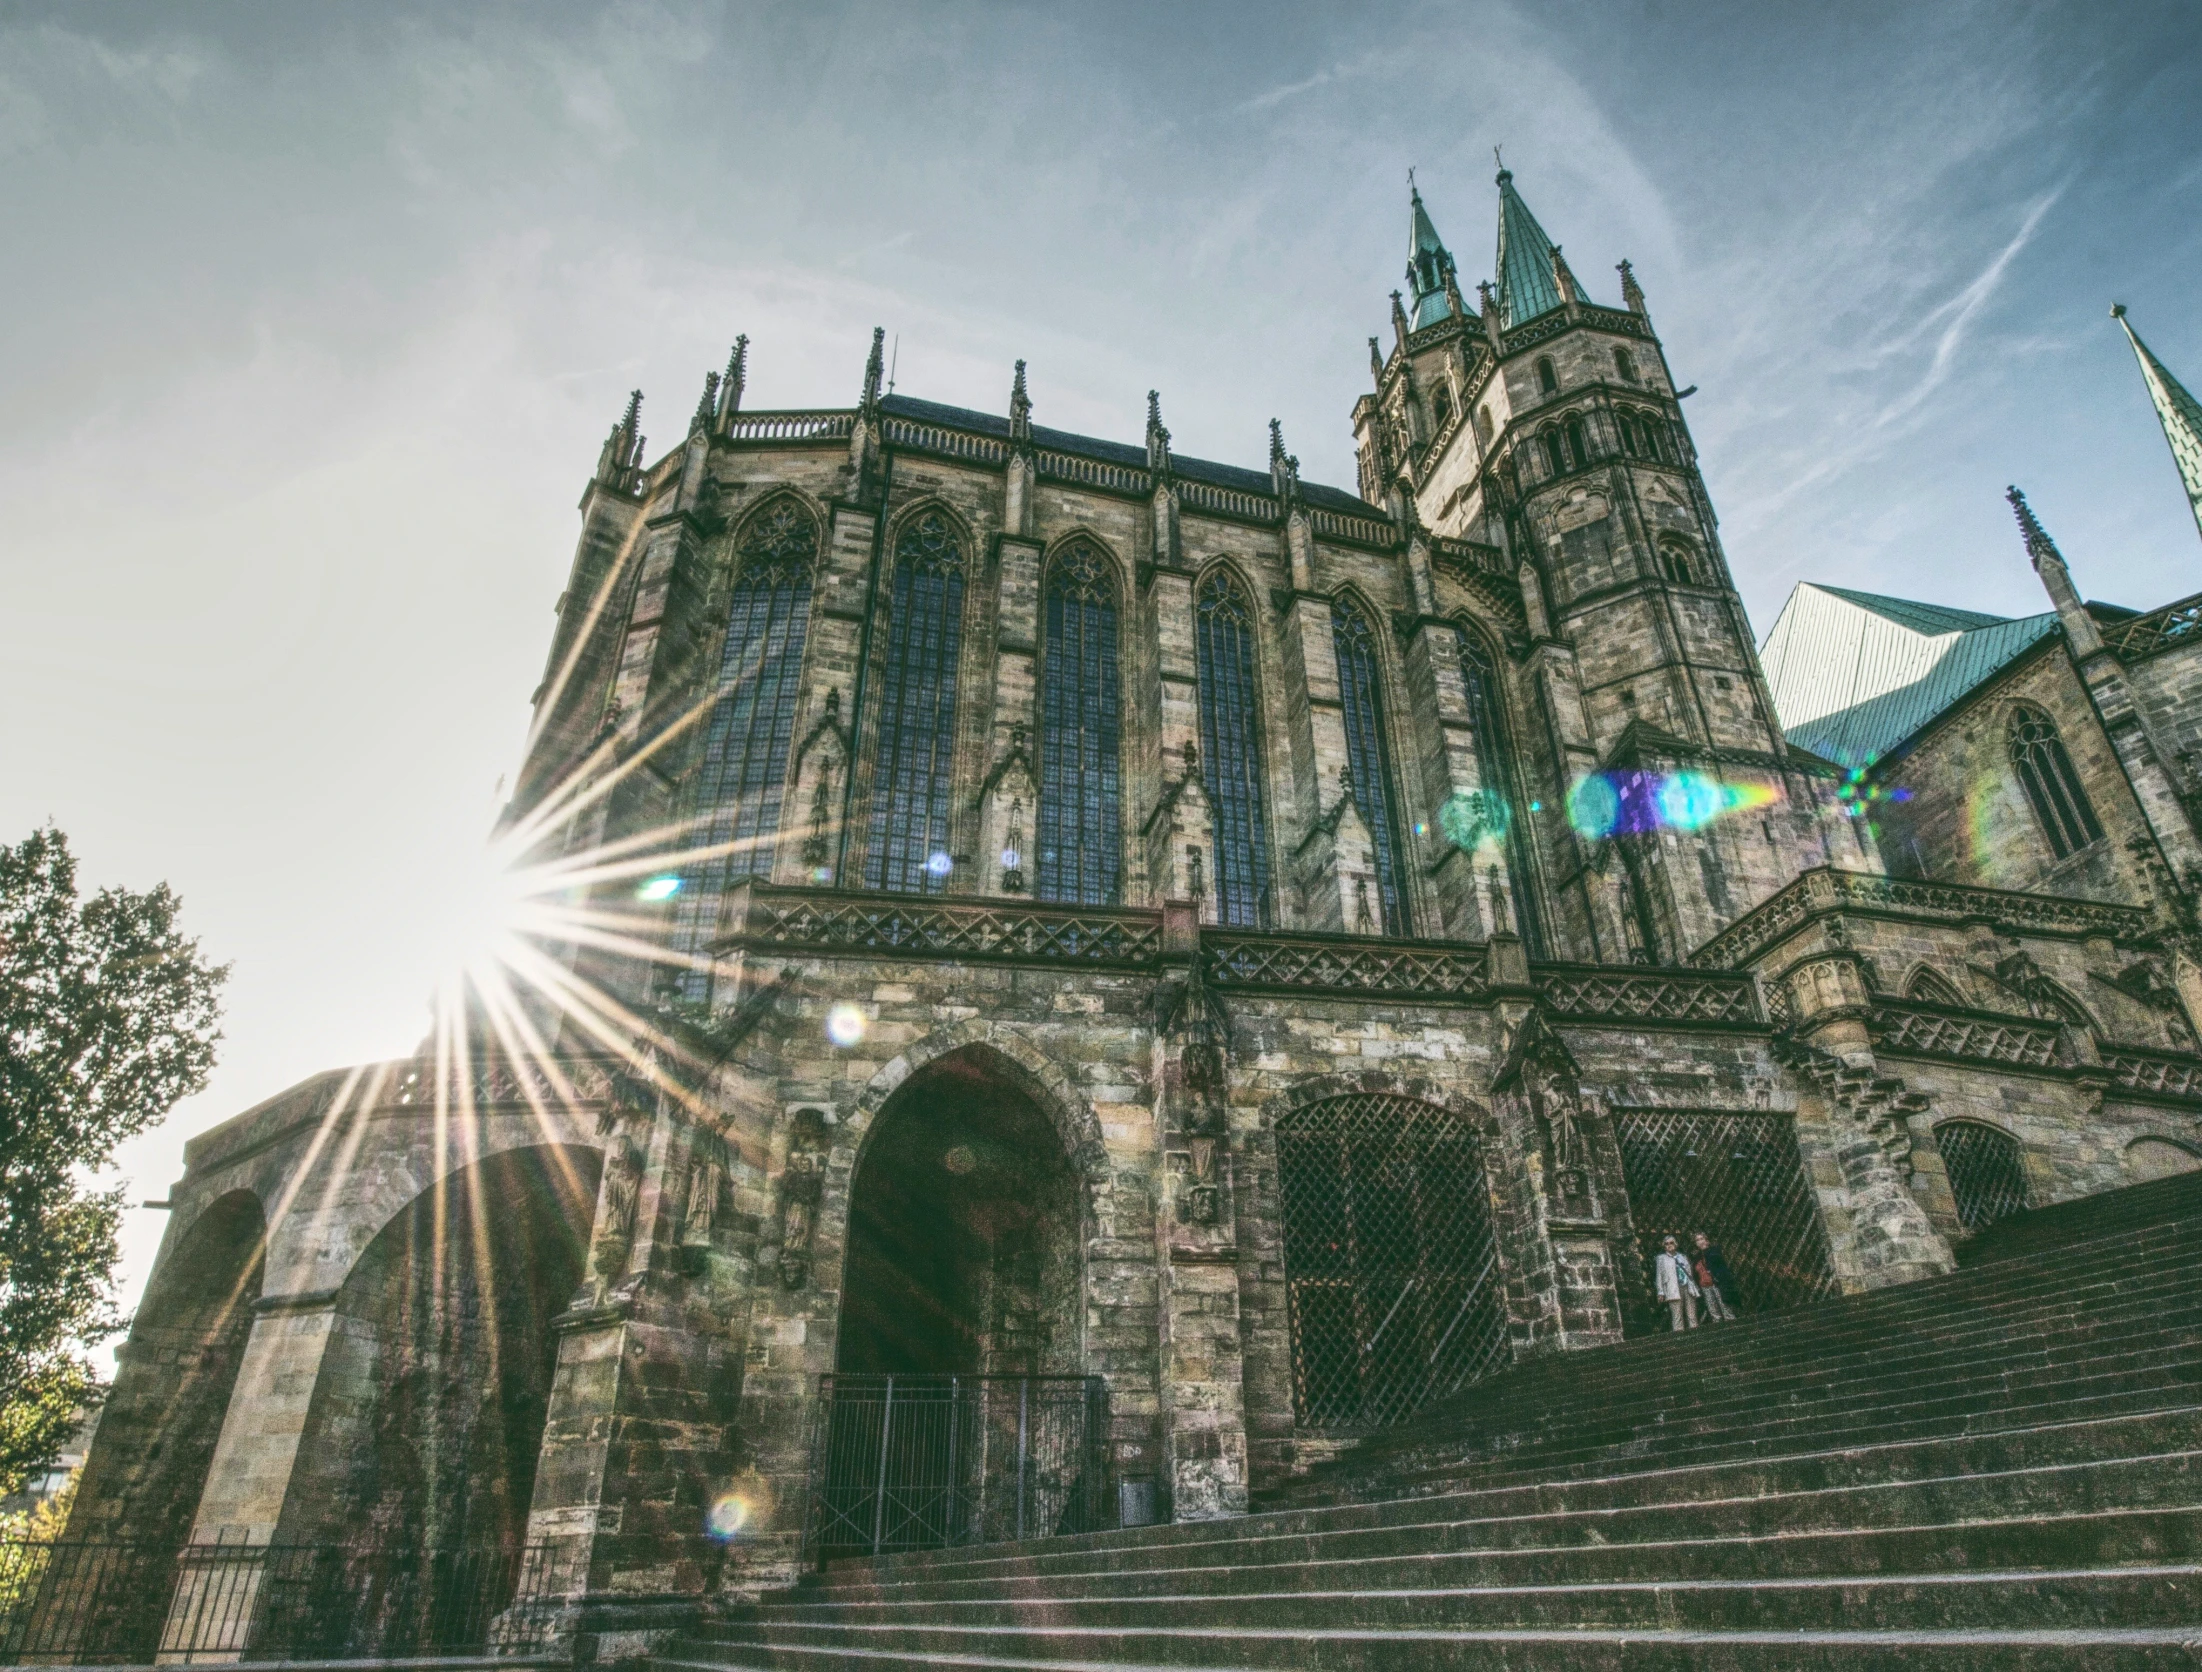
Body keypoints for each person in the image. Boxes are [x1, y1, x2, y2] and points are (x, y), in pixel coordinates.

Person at [1654, 1234, 1699, 1330]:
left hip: (1687, 1286)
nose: (1669, 1245)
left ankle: (1696, 1334)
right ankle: (1679, 1338)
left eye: (1671, 1243)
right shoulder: (1661, 1258)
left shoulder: (1683, 1257)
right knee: (1677, 1316)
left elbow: (1689, 1272)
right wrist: (1660, 1291)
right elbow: (1659, 1276)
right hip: (1672, 1288)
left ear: (1676, 1244)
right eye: (1666, 1244)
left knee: (1691, 1314)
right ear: (1664, 1246)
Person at [1693, 1231, 1738, 1322]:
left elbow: (1720, 1266)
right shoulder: (1696, 1257)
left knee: (1725, 1308)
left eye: (1702, 1239)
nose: (1700, 1241)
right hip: (1705, 1286)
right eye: (1697, 1240)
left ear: (1706, 1240)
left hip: (1716, 1284)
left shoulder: (1714, 1251)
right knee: (1714, 1312)